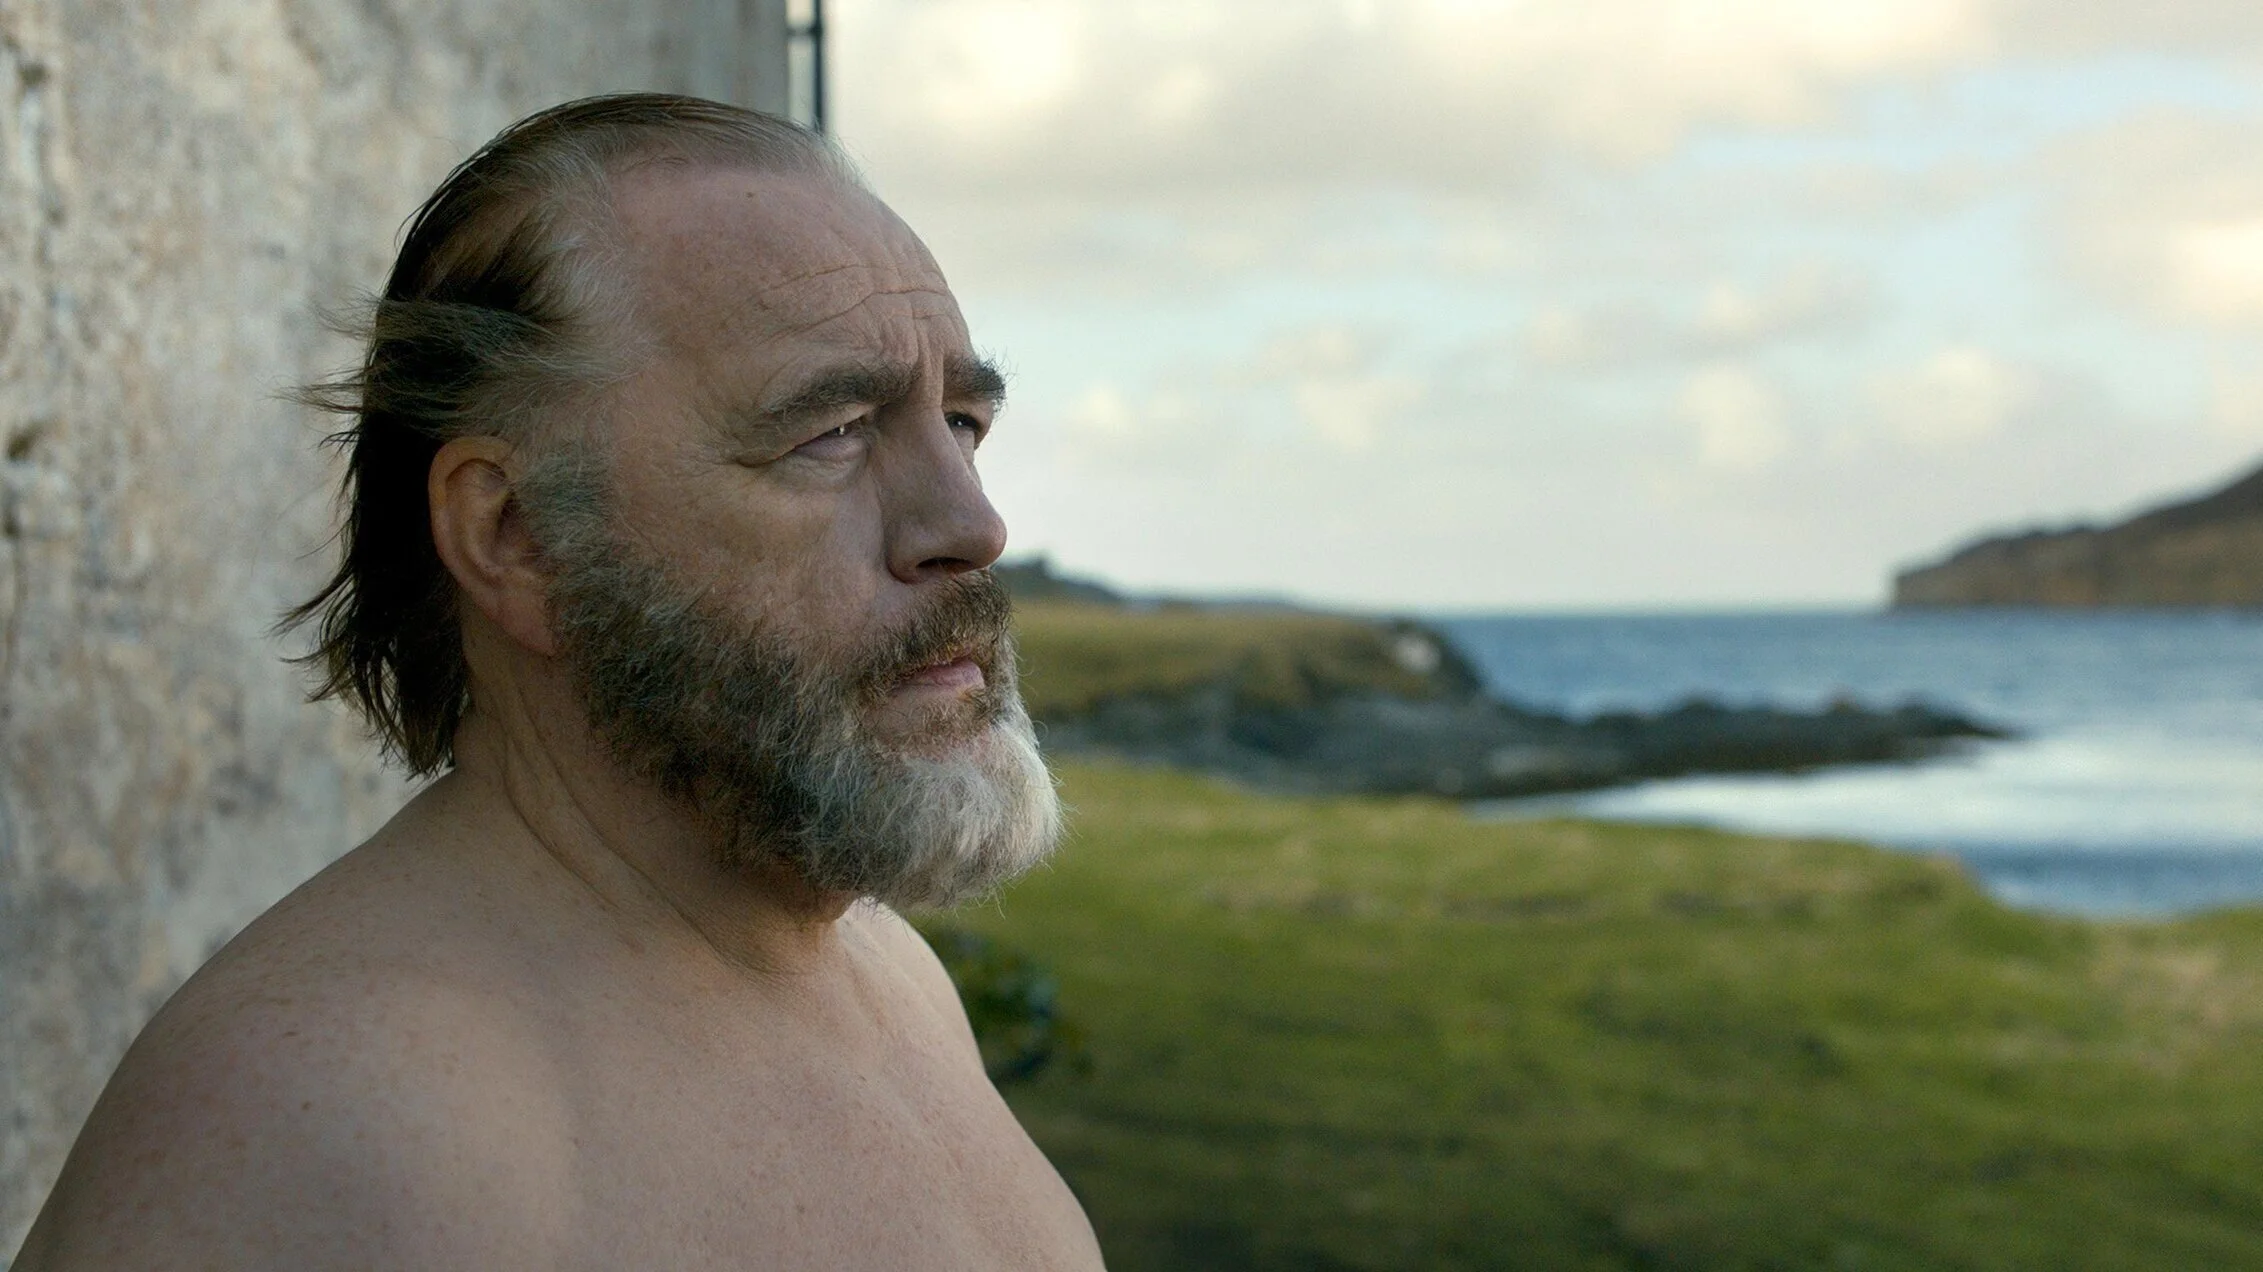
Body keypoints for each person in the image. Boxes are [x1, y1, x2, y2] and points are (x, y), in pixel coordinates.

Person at [14, 94, 1103, 1270]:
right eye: (830, 431)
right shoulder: (326, 1128)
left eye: (961, 422)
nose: (972, 526)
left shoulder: (893, 978)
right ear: (517, 536)